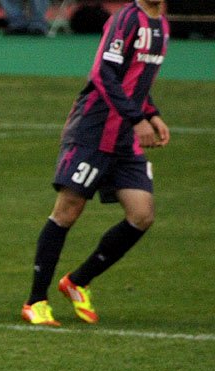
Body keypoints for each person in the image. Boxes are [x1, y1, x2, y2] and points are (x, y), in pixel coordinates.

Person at [21, 0, 170, 326]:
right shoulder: (126, 20)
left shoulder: (162, 24)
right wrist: (137, 118)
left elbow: (135, 80)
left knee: (142, 214)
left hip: (124, 137)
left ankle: (77, 282)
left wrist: (151, 113)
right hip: (94, 130)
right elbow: (104, 73)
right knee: (68, 211)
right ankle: (36, 301)